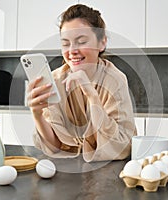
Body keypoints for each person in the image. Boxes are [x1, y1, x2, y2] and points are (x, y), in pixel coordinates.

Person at [27, 4, 137, 162]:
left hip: (108, 171)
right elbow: (55, 145)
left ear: (102, 43)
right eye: (65, 44)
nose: (72, 50)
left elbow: (121, 147)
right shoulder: (55, 80)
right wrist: (37, 115)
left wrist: (92, 96)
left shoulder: (115, 80)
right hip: (67, 170)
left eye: (81, 41)